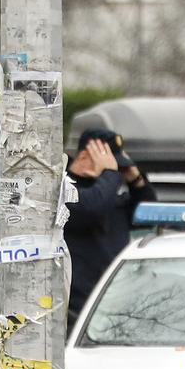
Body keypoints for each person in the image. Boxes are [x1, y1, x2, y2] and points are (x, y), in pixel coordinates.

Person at [64, 129, 157, 323]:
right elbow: (91, 208)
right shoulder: (64, 187)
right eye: (109, 164)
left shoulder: (107, 189)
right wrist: (111, 175)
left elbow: (148, 215)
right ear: (83, 155)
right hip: (75, 308)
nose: (116, 172)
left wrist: (136, 179)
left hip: (114, 301)